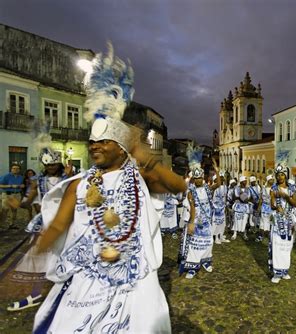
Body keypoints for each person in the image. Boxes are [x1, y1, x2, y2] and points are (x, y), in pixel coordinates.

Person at [32, 45, 186, 333]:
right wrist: (33, 257)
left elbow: (178, 186)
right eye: (92, 143)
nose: (95, 147)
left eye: (103, 142)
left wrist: (144, 156)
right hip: (86, 283)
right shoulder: (78, 184)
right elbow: (58, 226)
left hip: (134, 284)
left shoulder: (141, 177)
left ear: (121, 148)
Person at [6, 150, 73, 312]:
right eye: (47, 164)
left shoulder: (71, 179)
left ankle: (69, 294)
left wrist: (71, 175)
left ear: (59, 164)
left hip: (67, 224)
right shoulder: (37, 181)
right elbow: (28, 201)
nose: (50, 167)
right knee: (39, 259)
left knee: (67, 258)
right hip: (45, 224)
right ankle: (35, 294)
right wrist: (18, 204)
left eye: (53, 164)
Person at [179, 147, 219, 279]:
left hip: (207, 221)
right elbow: (193, 207)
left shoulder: (207, 188)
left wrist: (217, 170)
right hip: (197, 220)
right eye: (196, 179)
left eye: (200, 178)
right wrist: (191, 222)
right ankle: (193, 266)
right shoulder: (191, 191)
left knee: (208, 242)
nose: (198, 180)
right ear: (193, 179)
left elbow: (218, 184)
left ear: (203, 178)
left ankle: (206, 261)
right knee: (195, 243)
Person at [269, 153, 296, 284]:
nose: (280, 177)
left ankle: (285, 270)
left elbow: (295, 203)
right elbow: (272, 203)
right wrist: (276, 206)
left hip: (289, 220)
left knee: (287, 246)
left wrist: (285, 196)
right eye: (278, 175)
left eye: (282, 174)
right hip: (278, 220)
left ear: (286, 175)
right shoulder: (273, 188)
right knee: (277, 245)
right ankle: (276, 272)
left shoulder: (292, 188)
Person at [0, 164, 24, 229]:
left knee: (14, 210)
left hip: (17, 195)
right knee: (5, 210)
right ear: (11, 169)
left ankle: (12, 224)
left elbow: (22, 185)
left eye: (17, 168)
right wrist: (10, 186)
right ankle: (1, 224)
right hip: (7, 195)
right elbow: (0, 185)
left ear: (19, 170)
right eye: (14, 168)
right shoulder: (6, 176)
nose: (15, 170)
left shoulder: (21, 177)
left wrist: (22, 186)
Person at [212, 172, 229, 244]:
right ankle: (216, 238)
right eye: (219, 178)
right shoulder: (214, 187)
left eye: (222, 178)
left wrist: (226, 207)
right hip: (216, 208)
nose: (222, 179)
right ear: (215, 180)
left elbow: (225, 197)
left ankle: (221, 237)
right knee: (216, 223)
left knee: (223, 223)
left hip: (222, 208)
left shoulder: (225, 187)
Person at [231, 176, 251, 240]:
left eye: (246, 181)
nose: (245, 182)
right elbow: (234, 197)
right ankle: (235, 233)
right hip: (238, 207)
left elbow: (247, 199)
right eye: (244, 181)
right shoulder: (236, 188)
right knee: (236, 220)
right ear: (241, 182)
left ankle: (245, 234)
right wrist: (242, 197)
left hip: (245, 207)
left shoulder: (248, 189)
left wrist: (241, 195)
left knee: (245, 221)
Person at [256, 174, 274, 242]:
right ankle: (261, 236)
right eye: (271, 180)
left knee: (271, 222)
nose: (272, 181)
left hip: (272, 207)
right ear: (268, 180)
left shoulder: (275, 188)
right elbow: (261, 199)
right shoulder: (263, 188)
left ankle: (270, 237)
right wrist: (259, 207)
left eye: (273, 180)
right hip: (264, 207)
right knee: (262, 222)